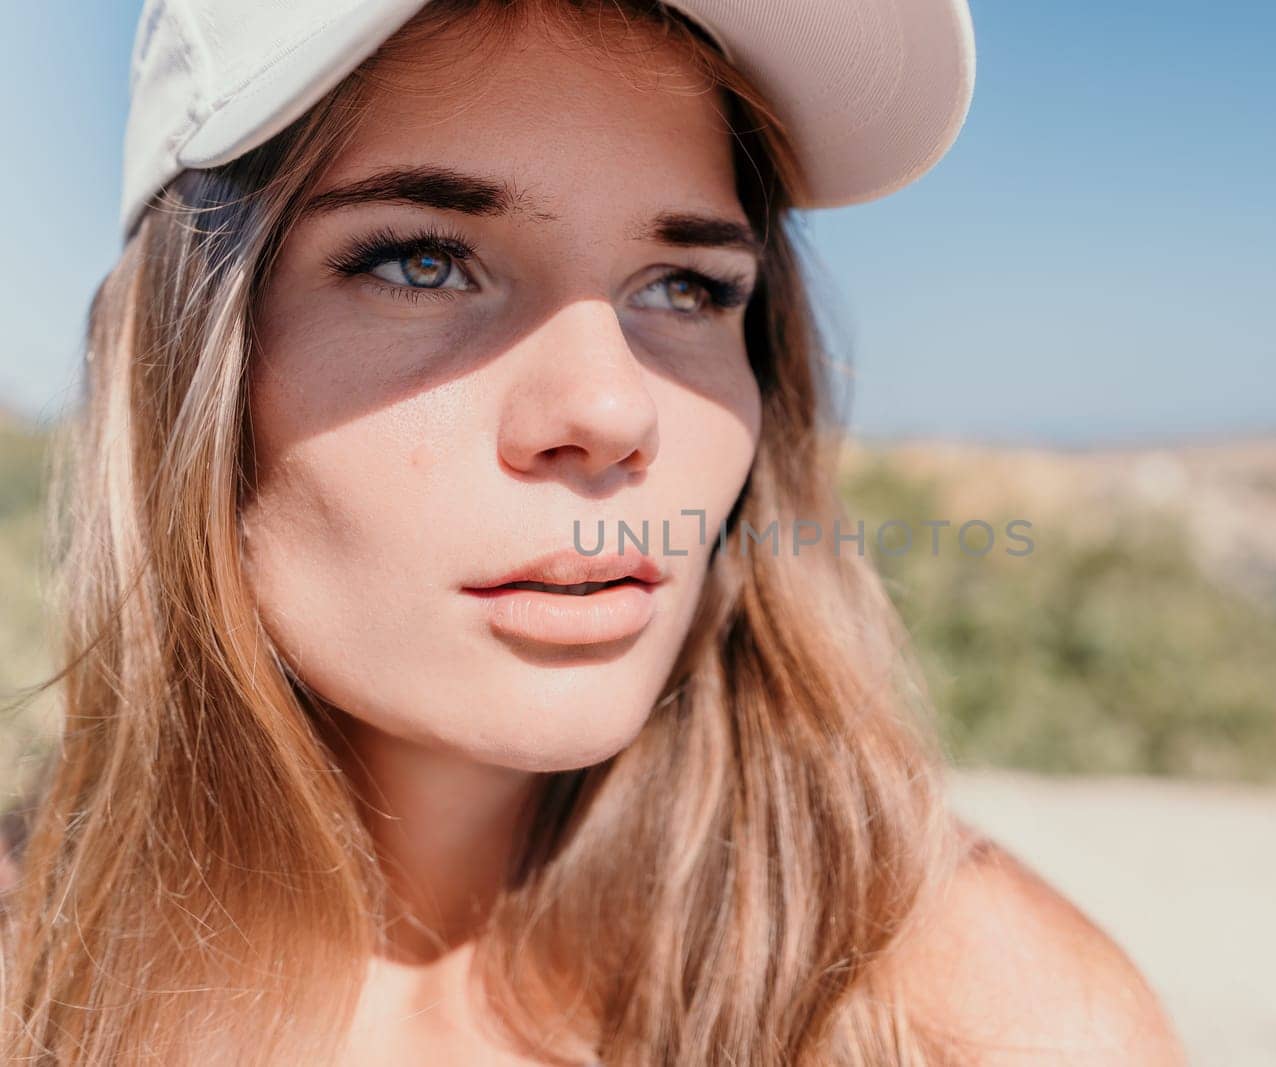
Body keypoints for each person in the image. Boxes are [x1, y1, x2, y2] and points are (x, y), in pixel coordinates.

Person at [0, 0, 1186, 1063]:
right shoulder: (26, 988)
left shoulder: (976, 1020)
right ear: (177, 363)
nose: (612, 412)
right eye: (425, 260)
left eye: (685, 286)